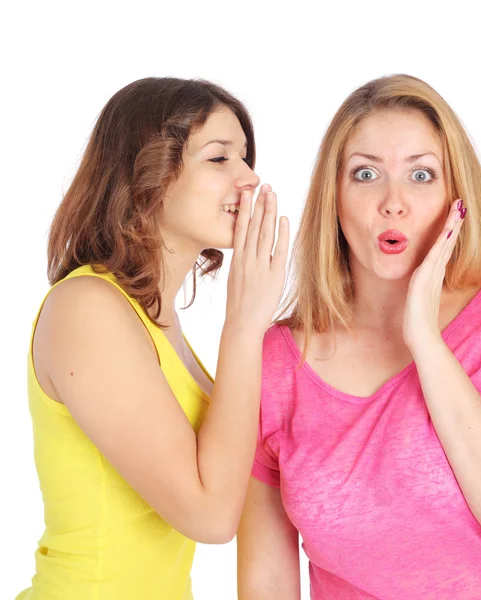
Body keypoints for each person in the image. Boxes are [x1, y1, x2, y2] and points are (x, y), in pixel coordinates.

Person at [237, 74, 481, 599]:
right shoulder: (277, 365)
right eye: (365, 174)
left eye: (421, 174)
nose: (393, 202)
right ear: (333, 198)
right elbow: (267, 580)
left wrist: (425, 337)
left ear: (456, 197)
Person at [17, 77, 289, 600]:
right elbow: (210, 517)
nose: (249, 179)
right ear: (149, 176)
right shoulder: (88, 309)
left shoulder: (154, 319)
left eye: (246, 157)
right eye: (220, 158)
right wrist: (244, 325)